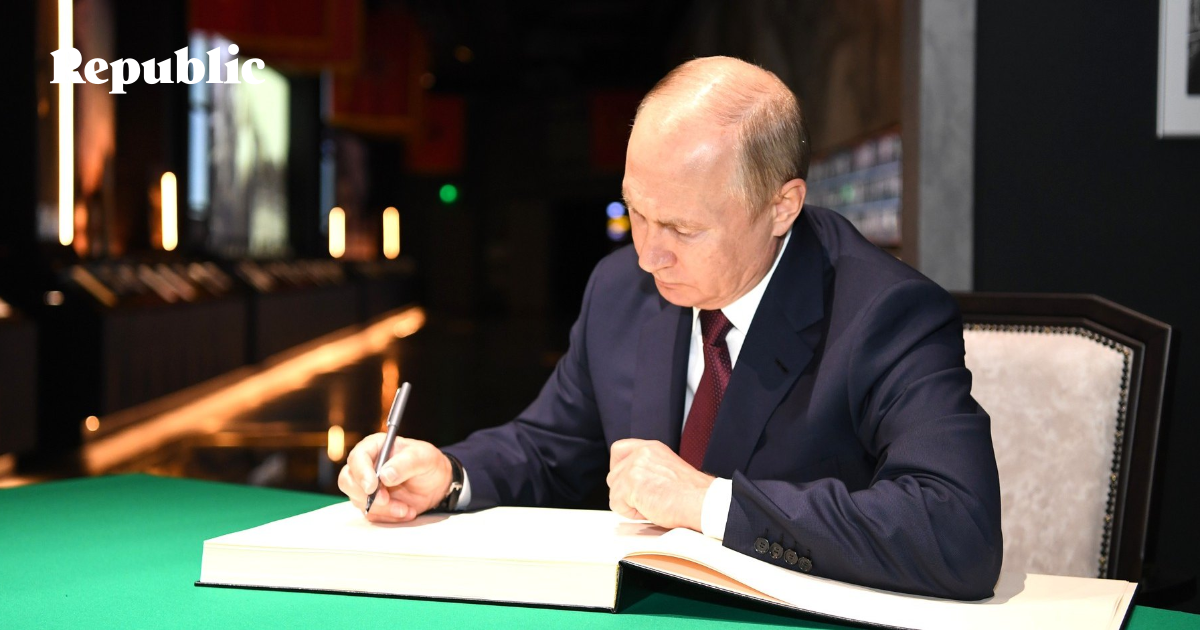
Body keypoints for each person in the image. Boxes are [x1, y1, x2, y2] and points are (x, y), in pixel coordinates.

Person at [339, 56, 1002, 601]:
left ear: (782, 207)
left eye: (683, 229)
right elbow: (550, 445)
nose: (649, 256)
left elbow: (957, 530)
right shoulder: (618, 289)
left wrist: (709, 503)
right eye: (636, 214)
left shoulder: (885, 313)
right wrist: (450, 475)